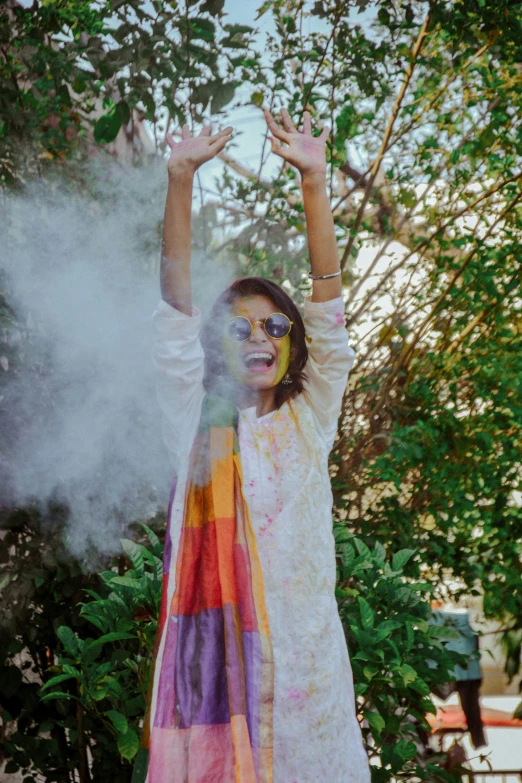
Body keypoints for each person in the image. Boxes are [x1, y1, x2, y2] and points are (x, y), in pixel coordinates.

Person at [135, 108, 371, 783]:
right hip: (219, 680)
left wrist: (315, 185)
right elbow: (175, 317)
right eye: (238, 330)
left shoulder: (310, 414)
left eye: (273, 325)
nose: (259, 338)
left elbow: (330, 318)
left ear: (291, 341)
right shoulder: (194, 418)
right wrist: (179, 179)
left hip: (308, 681)